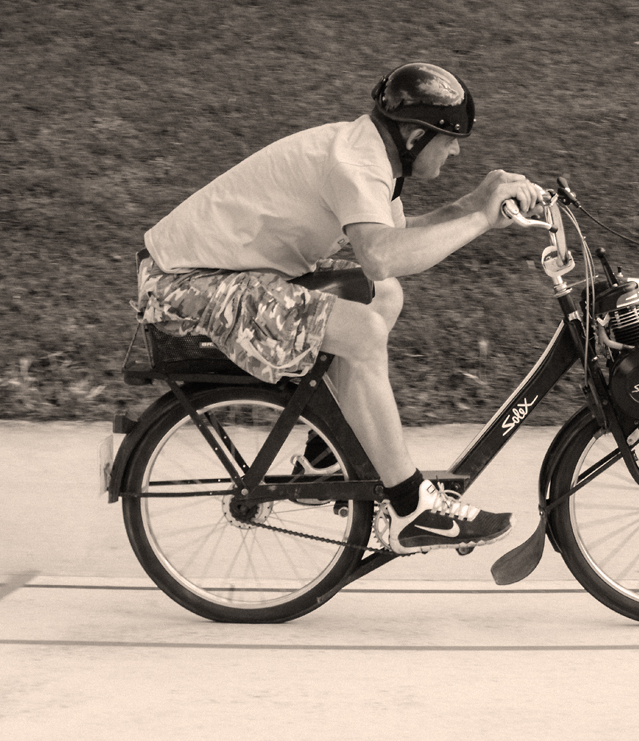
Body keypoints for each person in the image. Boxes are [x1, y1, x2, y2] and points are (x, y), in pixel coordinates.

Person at [136, 62, 542, 554]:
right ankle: (413, 508)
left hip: (227, 273)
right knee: (363, 330)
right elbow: (380, 256)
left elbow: (396, 240)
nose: (455, 150)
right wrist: (479, 218)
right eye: (450, 138)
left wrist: (471, 204)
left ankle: (325, 449)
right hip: (185, 286)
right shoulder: (355, 163)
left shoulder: (372, 154)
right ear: (415, 135)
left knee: (384, 295)